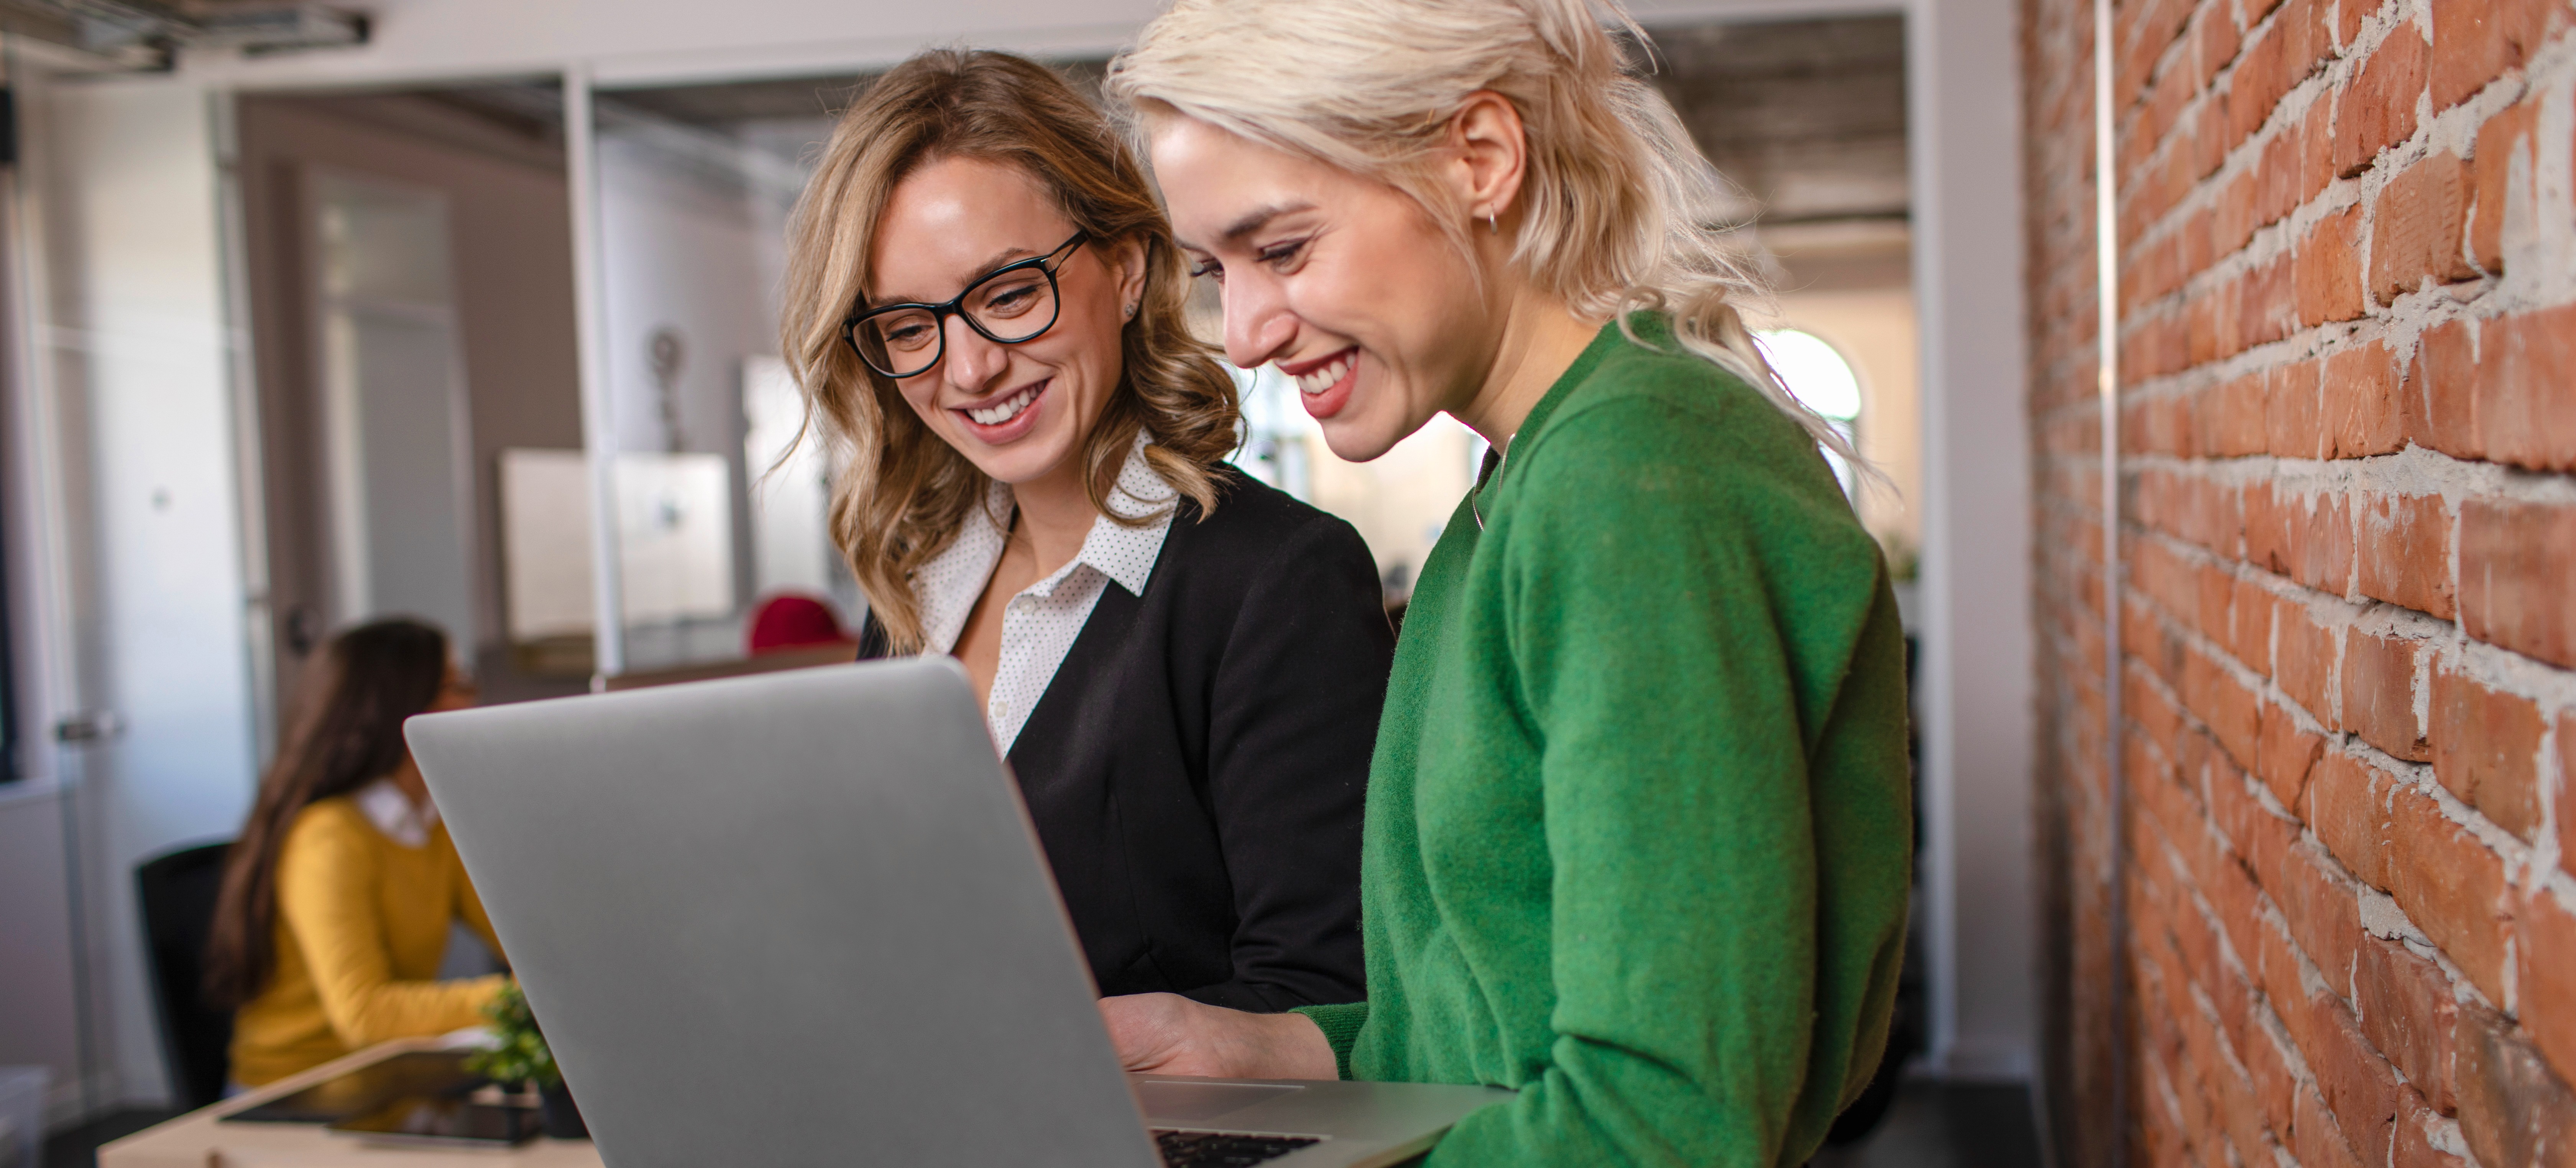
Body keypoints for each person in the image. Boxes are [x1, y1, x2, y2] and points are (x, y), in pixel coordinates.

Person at [1099, 0, 1915, 1163]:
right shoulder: (1525, 485)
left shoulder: (1628, 476)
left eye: (1280, 249)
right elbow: (1501, 1011)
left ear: (1479, 160)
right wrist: (1272, 1050)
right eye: (1211, 269)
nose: (1241, 333)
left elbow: (1664, 1115)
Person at [777, 49, 1388, 1011]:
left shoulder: (1273, 580)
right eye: (907, 326)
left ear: (1127, 269)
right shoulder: (913, 589)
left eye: (1010, 294)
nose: (970, 370)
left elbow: (1329, 994)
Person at [206, 619, 505, 1087]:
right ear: (400, 709)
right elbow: (366, 1014)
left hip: (393, 1084)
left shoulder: (432, 822)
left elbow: (516, 933)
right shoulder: (329, 838)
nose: (474, 701)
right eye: (457, 685)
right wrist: (520, 1000)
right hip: (300, 1101)